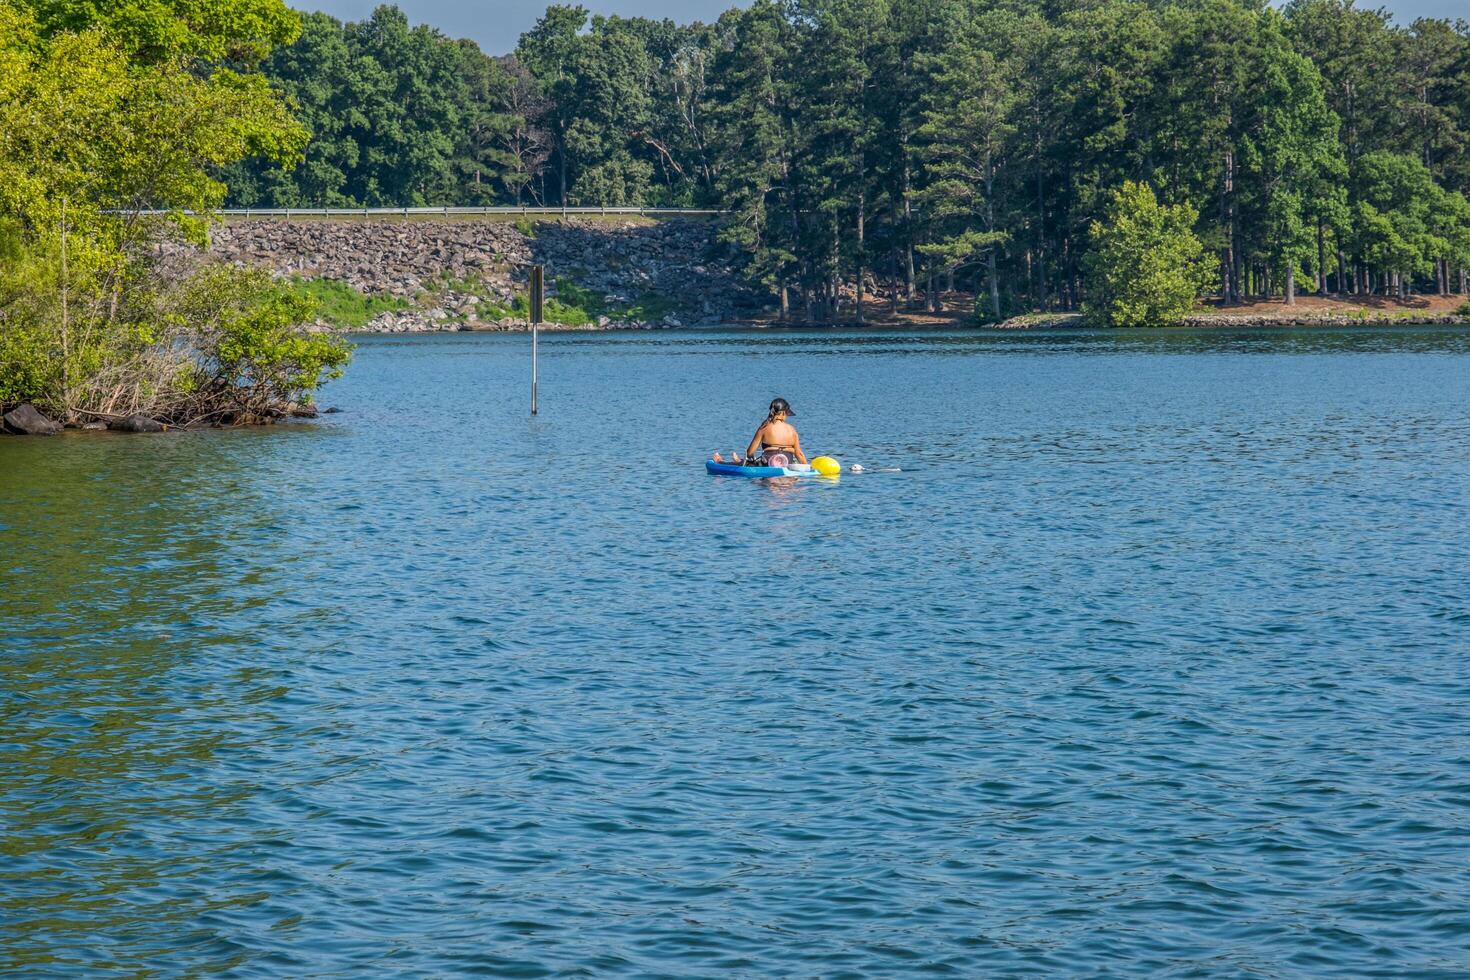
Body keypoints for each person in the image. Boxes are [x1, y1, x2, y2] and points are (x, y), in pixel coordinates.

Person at [712, 397, 808, 467]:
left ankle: (721, 462)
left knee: (749, 462)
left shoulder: (765, 427)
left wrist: (749, 460)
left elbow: (750, 453)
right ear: (783, 413)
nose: (787, 416)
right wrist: (807, 468)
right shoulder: (792, 430)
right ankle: (738, 460)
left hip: (767, 465)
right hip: (786, 464)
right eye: (787, 414)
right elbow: (799, 454)